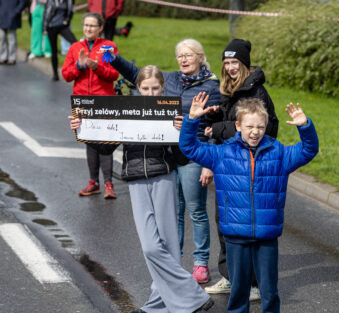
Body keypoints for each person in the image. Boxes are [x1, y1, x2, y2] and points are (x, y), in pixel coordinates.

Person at [69, 65, 214, 313]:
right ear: (138, 88)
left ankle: (158, 306)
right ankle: (193, 298)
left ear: (162, 88)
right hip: (135, 179)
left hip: (163, 177)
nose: (150, 93)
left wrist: (184, 131)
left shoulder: (172, 110)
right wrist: (81, 130)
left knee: (168, 246)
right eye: (145, 88)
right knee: (150, 247)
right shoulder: (128, 110)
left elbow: (181, 157)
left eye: (155, 88)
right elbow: (106, 147)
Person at [180, 95, 319, 313]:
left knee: (269, 291)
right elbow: (189, 148)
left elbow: (308, 150)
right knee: (239, 290)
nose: (255, 132)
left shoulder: (279, 154)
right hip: (235, 235)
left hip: (266, 236)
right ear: (238, 126)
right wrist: (192, 120)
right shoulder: (222, 154)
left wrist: (305, 126)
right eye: (249, 126)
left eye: (260, 127)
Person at [109, 38, 221, 284]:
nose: (183, 59)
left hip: (194, 154)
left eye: (188, 55)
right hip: (170, 155)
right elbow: (141, 76)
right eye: (180, 55)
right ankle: (175, 261)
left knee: (196, 211)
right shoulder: (170, 79)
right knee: (175, 213)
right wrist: (116, 60)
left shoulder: (212, 86)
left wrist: (208, 162)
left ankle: (201, 262)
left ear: (200, 57)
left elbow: (214, 126)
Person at [204, 38, 279, 299]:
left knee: (248, 226)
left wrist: (218, 128)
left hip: (249, 169)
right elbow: (230, 123)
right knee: (224, 222)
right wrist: (212, 116)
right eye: (226, 62)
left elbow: (266, 129)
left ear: (244, 64)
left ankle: (255, 285)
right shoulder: (229, 89)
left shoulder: (256, 92)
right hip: (228, 165)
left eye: (235, 62)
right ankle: (230, 277)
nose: (230, 67)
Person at [62, 12, 119, 198]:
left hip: (103, 100)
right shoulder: (75, 48)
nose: (88, 29)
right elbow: (66, 75)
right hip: (82, 101)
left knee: (105, 141)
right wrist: (79, 66)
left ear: (101, 28)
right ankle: (93, 182)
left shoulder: (108, 47)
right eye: (86, 25)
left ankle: (109, 184)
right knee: (90, 141)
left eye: (92, 26)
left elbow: (113, 75)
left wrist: (97, 67)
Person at [43, 0, 77, 80]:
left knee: (75, 43)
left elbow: (70, 11)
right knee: (53, 51)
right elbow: (46, 13)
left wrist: (67, 21)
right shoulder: (51, 1)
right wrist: (44, 28)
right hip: (51, 27)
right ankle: (55, 74)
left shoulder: (68, 1)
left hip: (62, 26)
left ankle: (76, 68)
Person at [0, 0, 26, 65]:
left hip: (13, 16)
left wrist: (16, 11)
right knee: (2, 37)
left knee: (12, 38)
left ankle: (12, 58)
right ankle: (3, 57)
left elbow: (22, 2)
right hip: (2, 15)